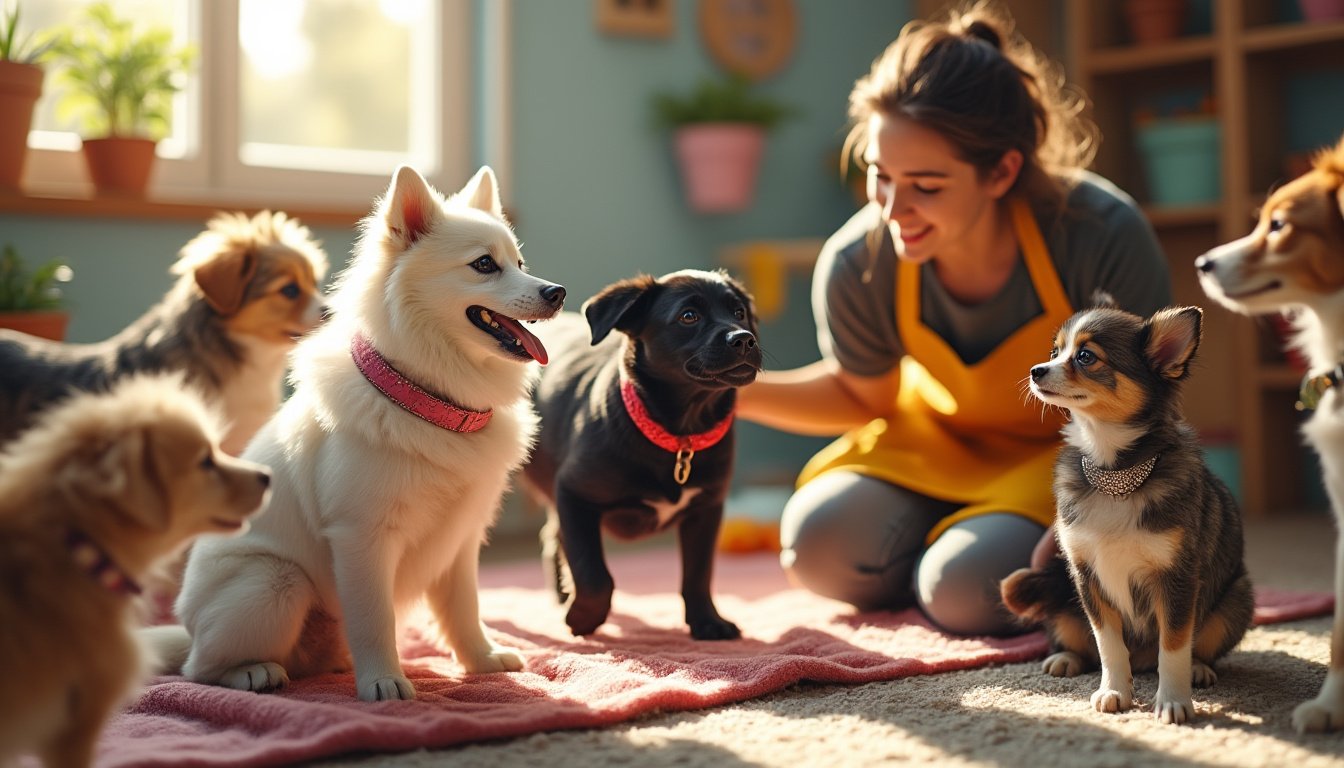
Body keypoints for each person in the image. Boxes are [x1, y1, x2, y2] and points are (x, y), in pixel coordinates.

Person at [736, 2, 1172, 636]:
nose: (894, 209)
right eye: (879, 177)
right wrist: (729, 392)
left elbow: (1148, 401)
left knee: (967, 594)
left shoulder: (1101, 232)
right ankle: (944, 548)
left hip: (1063, 458)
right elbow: (864, 395)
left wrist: (1099, 511)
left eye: (927, 186)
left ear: (1001, 171)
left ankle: (949, 561)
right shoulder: (858, 260)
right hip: (930, 445)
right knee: (818, 547)